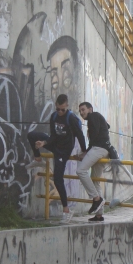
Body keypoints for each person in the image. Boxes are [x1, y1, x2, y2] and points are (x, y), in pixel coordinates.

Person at [26, 94, 86, 224]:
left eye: (62, 110)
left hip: (63, 151)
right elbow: (53, 136)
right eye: (57, 109)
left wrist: (84, 152)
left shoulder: (71, 119)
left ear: (67, 106)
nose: (59, 112)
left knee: (58, 179)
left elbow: (80, 136)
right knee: (32, 135)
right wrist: (44, 143)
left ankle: (66, 210)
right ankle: (38, 159)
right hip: (55, 144)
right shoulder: (54, 117)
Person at [77, 102, 112, 223]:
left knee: (80, 170)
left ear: (90, 109)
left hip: (98, 149)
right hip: (104, 150)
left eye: (83, 110)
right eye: (80, 111)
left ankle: (96, 199)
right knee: (95, 180)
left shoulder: (93, 116)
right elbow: (106, 127)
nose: (82, 113)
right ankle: (99, 215)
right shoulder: (97, 117)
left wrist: (86, 152)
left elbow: (95, 136)